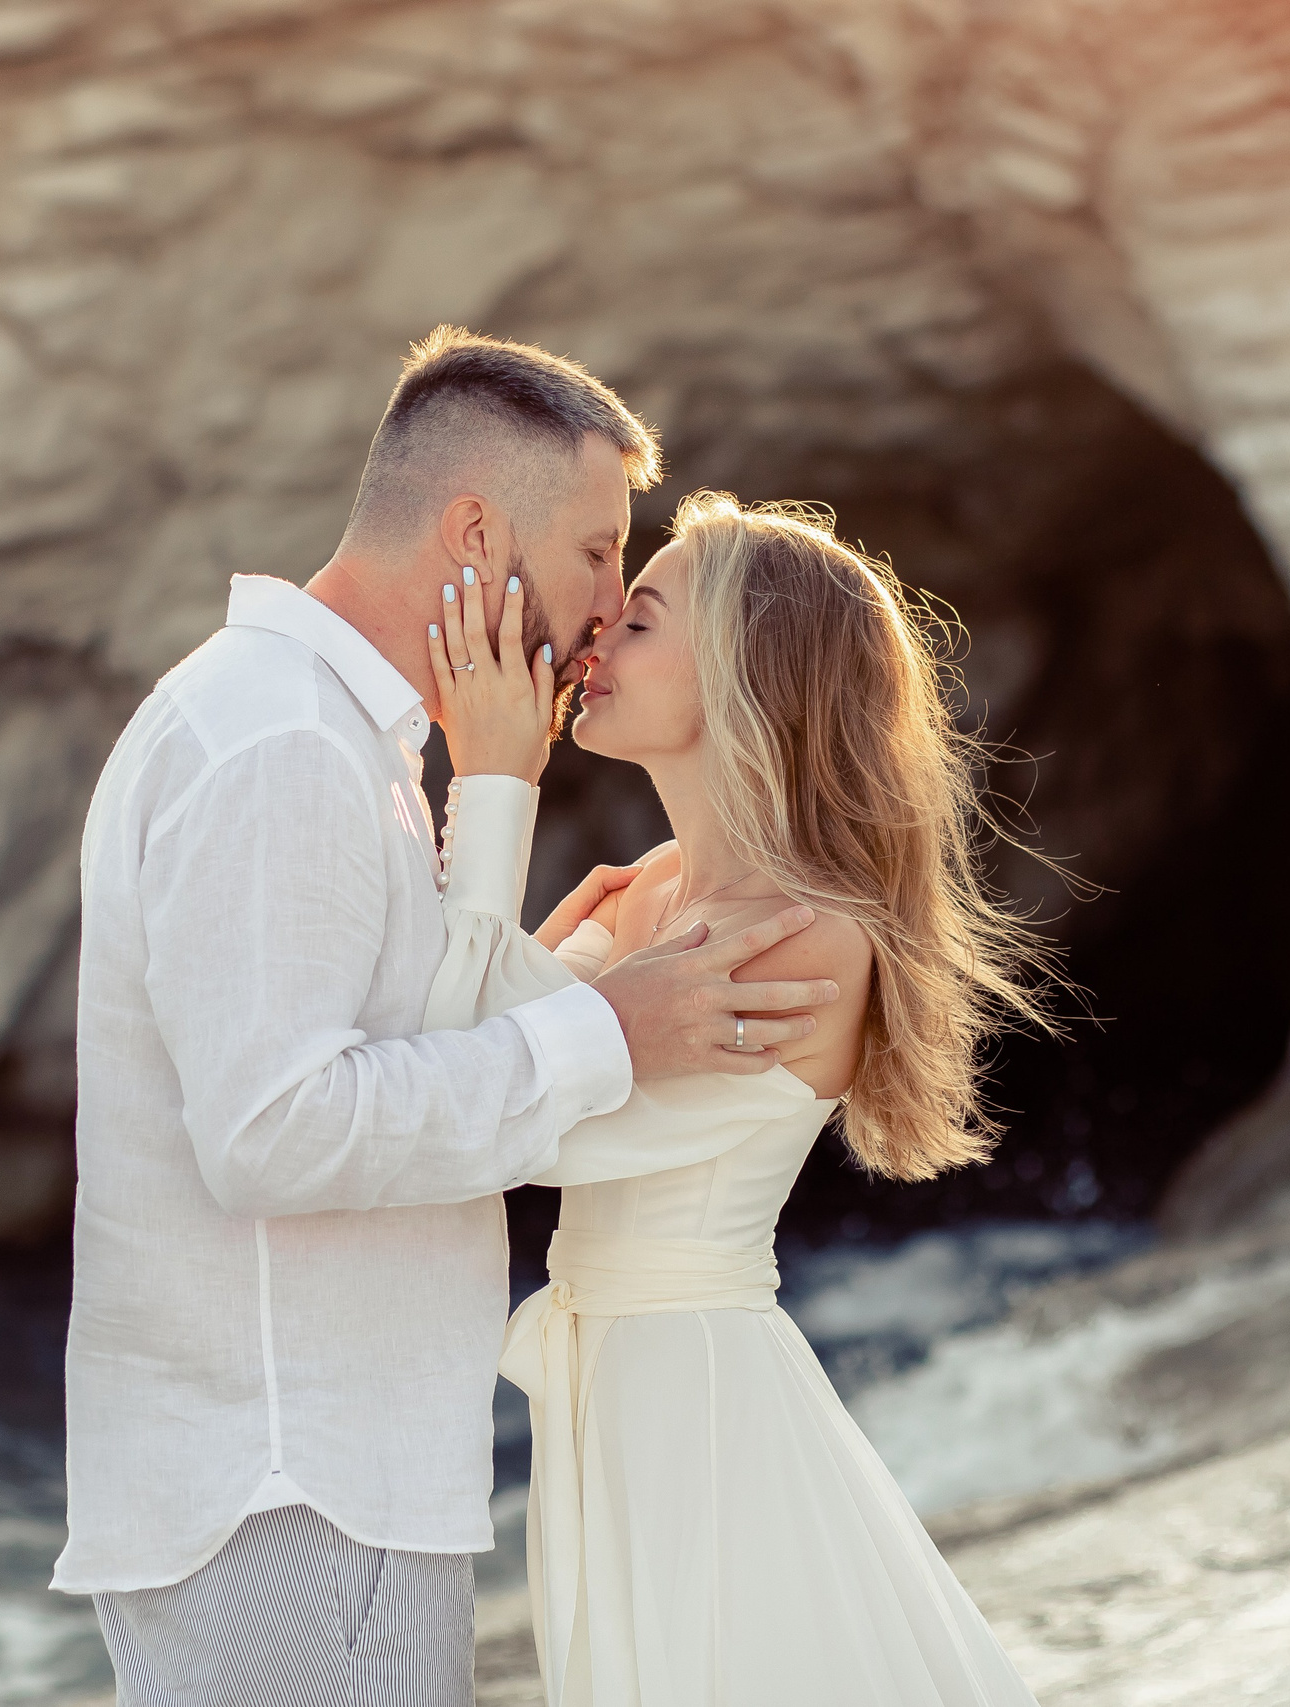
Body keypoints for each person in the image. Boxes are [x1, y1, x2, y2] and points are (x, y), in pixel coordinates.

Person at [52, 329, 845, 1706]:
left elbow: (384, 1057)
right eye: (599, 553)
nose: (607, 604)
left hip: (308, 1480)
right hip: (297, 1483)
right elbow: (272, 1131)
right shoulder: (287, 747)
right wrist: (608, 1029)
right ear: (475, 528)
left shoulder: (324, 739)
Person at [424, 489, 1055, 1705]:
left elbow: (513, 1124)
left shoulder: (807, 937)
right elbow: (461, 1066)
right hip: (605, 1390)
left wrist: (495, 785)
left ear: (748, 673)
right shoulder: (646, 892)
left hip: (696, 1403)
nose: (596, 639)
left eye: (643, 620)